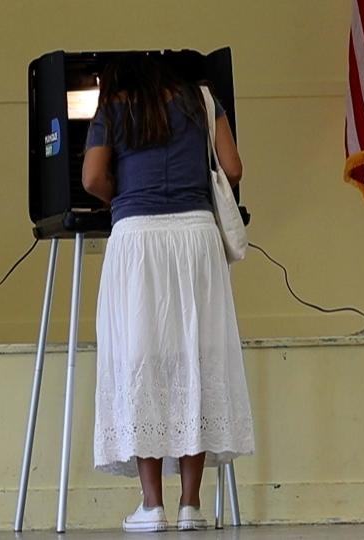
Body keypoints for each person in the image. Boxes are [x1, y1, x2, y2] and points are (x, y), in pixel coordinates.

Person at [82, 54, 255, 533]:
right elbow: (234, 169)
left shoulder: (113, 107)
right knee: (195, 358)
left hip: (136, 238)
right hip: (196, 236)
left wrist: (125, 194)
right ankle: (191, 507)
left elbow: (92, 178)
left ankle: (151, 504)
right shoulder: (202, 99)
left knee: (141, 360)